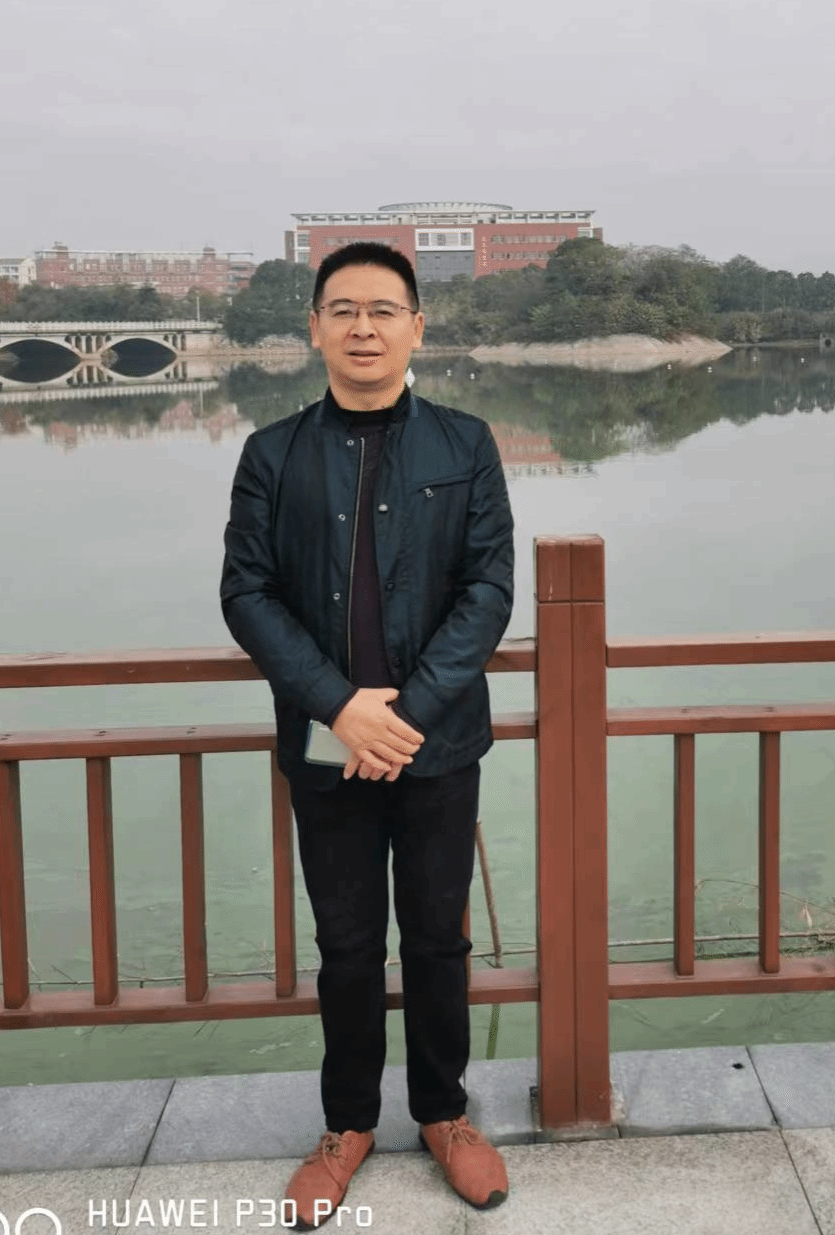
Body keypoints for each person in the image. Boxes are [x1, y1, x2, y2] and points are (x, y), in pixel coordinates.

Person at [220, 242, 515, 1230]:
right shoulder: (271, 454)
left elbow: (487, 591)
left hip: (437, 745)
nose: (362, 327)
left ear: (416, 328)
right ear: (313, 327)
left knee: (436, 938)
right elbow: (247, 593)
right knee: (345, 945)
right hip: (326, 746)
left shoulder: (466, 444)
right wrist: (338, 706)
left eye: (382, 310)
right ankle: (345, 1124)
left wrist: (406, 714)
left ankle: (444, 1114)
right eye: (341, 309)